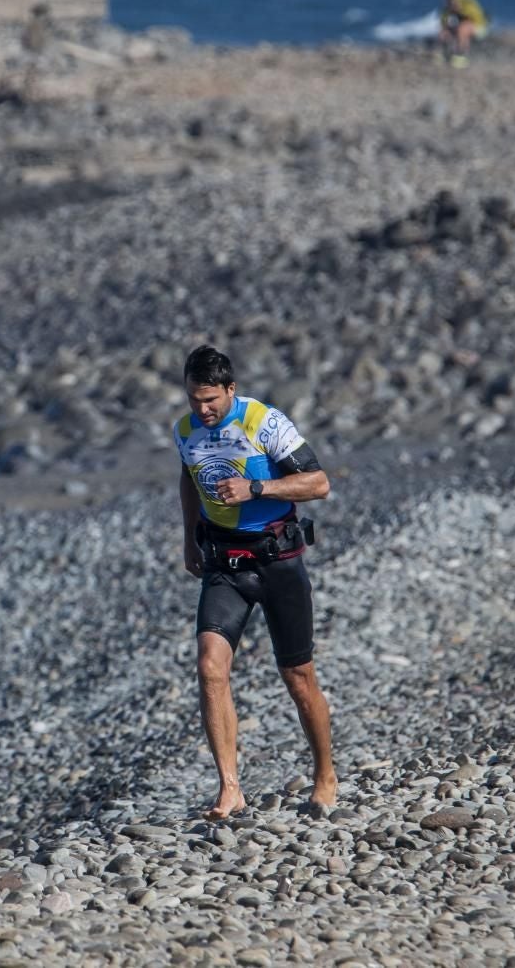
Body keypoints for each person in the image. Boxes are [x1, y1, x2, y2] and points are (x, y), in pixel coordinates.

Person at [174, 345, 337, 820]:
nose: (202, 410)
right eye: (193, 399)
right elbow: (187, 478)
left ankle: (325, 775)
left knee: (299, 678)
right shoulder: (186, 431)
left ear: (230, 390)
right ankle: (230, 789)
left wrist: (256, 488)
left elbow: (319, 482)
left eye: (211, 400)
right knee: (209, 666)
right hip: (226, 565)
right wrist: (189, 540)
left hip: (278, 561)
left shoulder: (263, 423)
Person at [439, 0, 487, 68]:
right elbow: (443, 21)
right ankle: (447, 55)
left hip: (479, 27)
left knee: (463, 28)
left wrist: (460, 10)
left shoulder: (468, 2)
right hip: (459, 27)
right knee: (444, 32)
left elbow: (478, 18)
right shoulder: (449, 5)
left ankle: (461, 56)